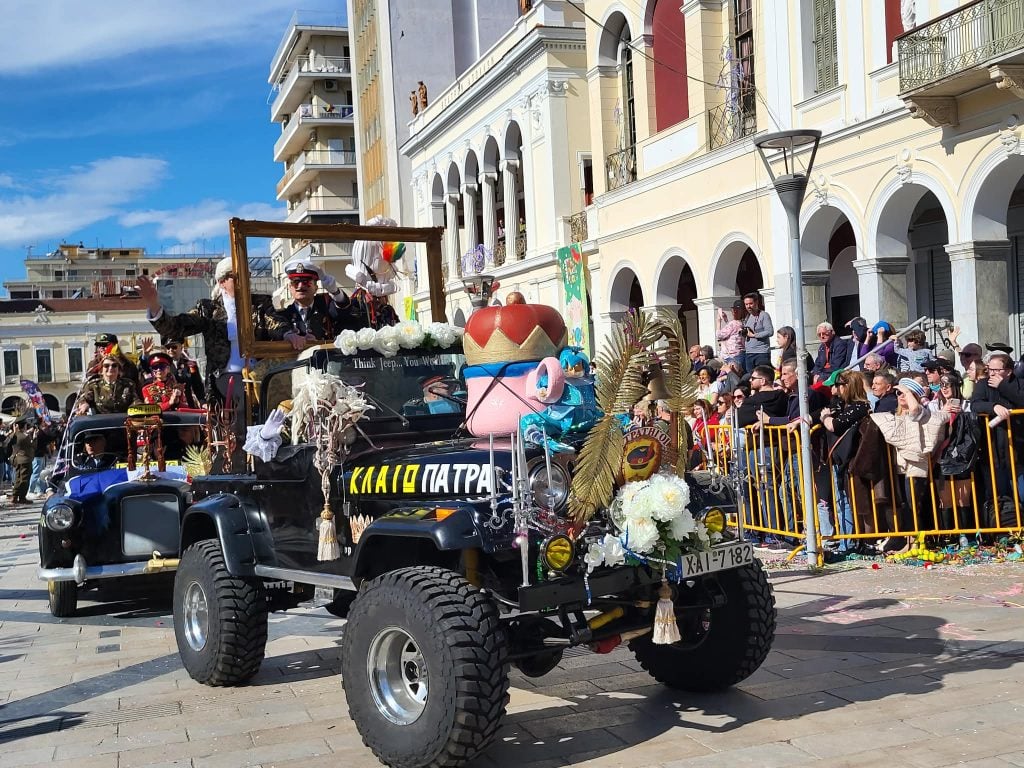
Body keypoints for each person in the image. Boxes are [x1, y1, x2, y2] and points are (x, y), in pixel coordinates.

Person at [138, 258, 289, 469]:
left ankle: (268, 466)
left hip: (259, 378)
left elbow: (276, 324)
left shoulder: (260, 303)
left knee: (272, 417)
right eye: (235, 277)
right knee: (236, 426)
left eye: (246, 276)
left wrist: (290, 334)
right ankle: (236, 468)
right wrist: (154, 304)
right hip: (226, 380)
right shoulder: (208, 309)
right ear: (222, 281)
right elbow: (176, 327)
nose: (243, 282)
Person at [819, 369, 871, 553]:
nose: (836, 389)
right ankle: (845, 539)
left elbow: (835, 425)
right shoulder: (842, 405)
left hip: (853, 460)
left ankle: (848, 541)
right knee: (841, 500)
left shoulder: (859, 407)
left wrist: (825, 418)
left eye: (839, 385)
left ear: (848, 386)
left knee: (846, 502)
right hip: (839, 459)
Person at [277, 258, 367, 349]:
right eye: (296, 282)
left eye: (306, 282)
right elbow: (274, 330)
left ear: (316, 287)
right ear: (290, 287)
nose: (300, 286)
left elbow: (345, 311)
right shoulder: (284, 316)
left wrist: (335, 292)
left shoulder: (326, 305)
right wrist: (288, 336)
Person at [76, 354, 140, 415]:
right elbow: (82, 399)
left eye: (114, 365)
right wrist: (84, 404)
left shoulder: (128, 384)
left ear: (119, 370)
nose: (110, 368)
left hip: (123, 422)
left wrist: (140, 406)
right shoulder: (93, 385)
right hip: (100, 423)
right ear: (101, 371)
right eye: (106, 366)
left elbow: (136, 401)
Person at [162, 336, 205, 404]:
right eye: (168, 348)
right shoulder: (162, 366)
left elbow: (197, 386)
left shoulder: (191, 365)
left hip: (187, 404)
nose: (170, 350)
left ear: (181, 348)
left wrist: (202, 402)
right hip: (169, 404)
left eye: (174, 347)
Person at [742, 292, 773, 370]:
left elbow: (770, 331)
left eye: (750, 303)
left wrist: (754, 335)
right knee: (751, 378)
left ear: (756, 302)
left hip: (761, 353)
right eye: (746, 304)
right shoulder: (748, 317)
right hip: (749, 353)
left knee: (763, 375)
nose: (748, 306)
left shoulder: (764, 315)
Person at [9, 420, 36, 505]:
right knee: (24, 479)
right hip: (25, 459)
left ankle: (15, 496)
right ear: (24, 426)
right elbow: (33, 446)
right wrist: (34, 437)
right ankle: (21, 497)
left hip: (17, 459)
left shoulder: (15, 435)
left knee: (18, 478)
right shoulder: (24, 437)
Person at [716, 301, 746, 371]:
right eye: (734, 310)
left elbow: (719, 335)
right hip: (741, 354)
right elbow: (733, 333)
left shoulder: (733, 324)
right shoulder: (744, 322)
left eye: (736, 310)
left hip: (733, 356)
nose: (734, 312)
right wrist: (726, 321)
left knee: (732, 377)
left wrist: (718, 321)